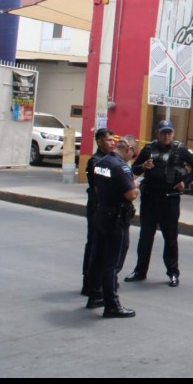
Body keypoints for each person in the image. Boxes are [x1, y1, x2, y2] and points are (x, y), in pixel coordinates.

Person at [125, 120, 193, 287]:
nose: (166, 136)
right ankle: (140, 271)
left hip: (170, 199)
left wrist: (185, 182)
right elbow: (134, 169)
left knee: (170, 238)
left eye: (169, 133)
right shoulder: (148, 149)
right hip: (150, 198)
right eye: (163, 133)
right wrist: (143, 166)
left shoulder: (180, 149)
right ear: (157, 133)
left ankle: (173, 272)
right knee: (145, 237)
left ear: (173, 133)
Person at [89, 136, 139, 318]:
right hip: (116, 218)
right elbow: (131, 194)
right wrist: (136, 186)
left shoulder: (101, 162)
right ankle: (112, 304)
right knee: (112, 262)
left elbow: (97, 188)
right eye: (133, 154)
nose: (131, 158)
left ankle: (95, 295)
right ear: (129, 149)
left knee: (98, 258)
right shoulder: (121, 167)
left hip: (102, 213)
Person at [81, 127, 115, 297]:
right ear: (100, 142)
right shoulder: (96, 161)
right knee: (94, 243)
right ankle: (89, 282)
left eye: (113, 140)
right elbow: (100, 187)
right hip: (97, 207)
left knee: (103, 246)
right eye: (109, 140)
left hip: (106, 208)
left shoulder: (110, 159)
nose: (112, 143)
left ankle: (99, 282)